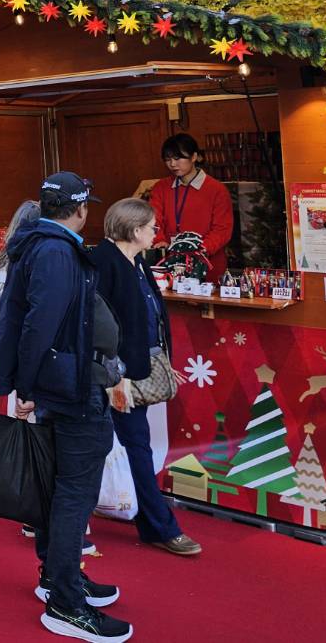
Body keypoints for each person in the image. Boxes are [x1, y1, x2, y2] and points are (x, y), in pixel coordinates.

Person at [0, 172, 130, 643]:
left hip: (61, 382)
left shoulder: (43, 246)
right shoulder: (55, 251)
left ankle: (60, 577)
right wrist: (25, 384)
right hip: (69, 387)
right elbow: (38, 322)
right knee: (75, 493)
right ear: (80, 209)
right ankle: (65, 600)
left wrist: (21, 380)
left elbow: (24, 318)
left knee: (64, 488)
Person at [93, 198, 202, 558]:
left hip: (139, 367)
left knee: (131, 445)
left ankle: (154, 524)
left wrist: (163, 356)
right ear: (135, 230)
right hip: (115, 375)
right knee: (130, 446)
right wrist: (115, 372)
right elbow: (102, 325)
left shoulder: (137, 261)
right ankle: (159, 526)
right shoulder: (104, 264)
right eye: (153, 227)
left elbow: (150, 316)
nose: (157, 233)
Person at [149, 133, 234, 279]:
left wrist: (199, 250)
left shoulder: (217, 189)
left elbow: (222, 229)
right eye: (168, 159)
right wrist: (159, 240)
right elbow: (153, 219)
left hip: (207, 262)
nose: (173, 164)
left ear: (194, 157)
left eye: (178, 158)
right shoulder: (160, 187)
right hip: (170, 262)